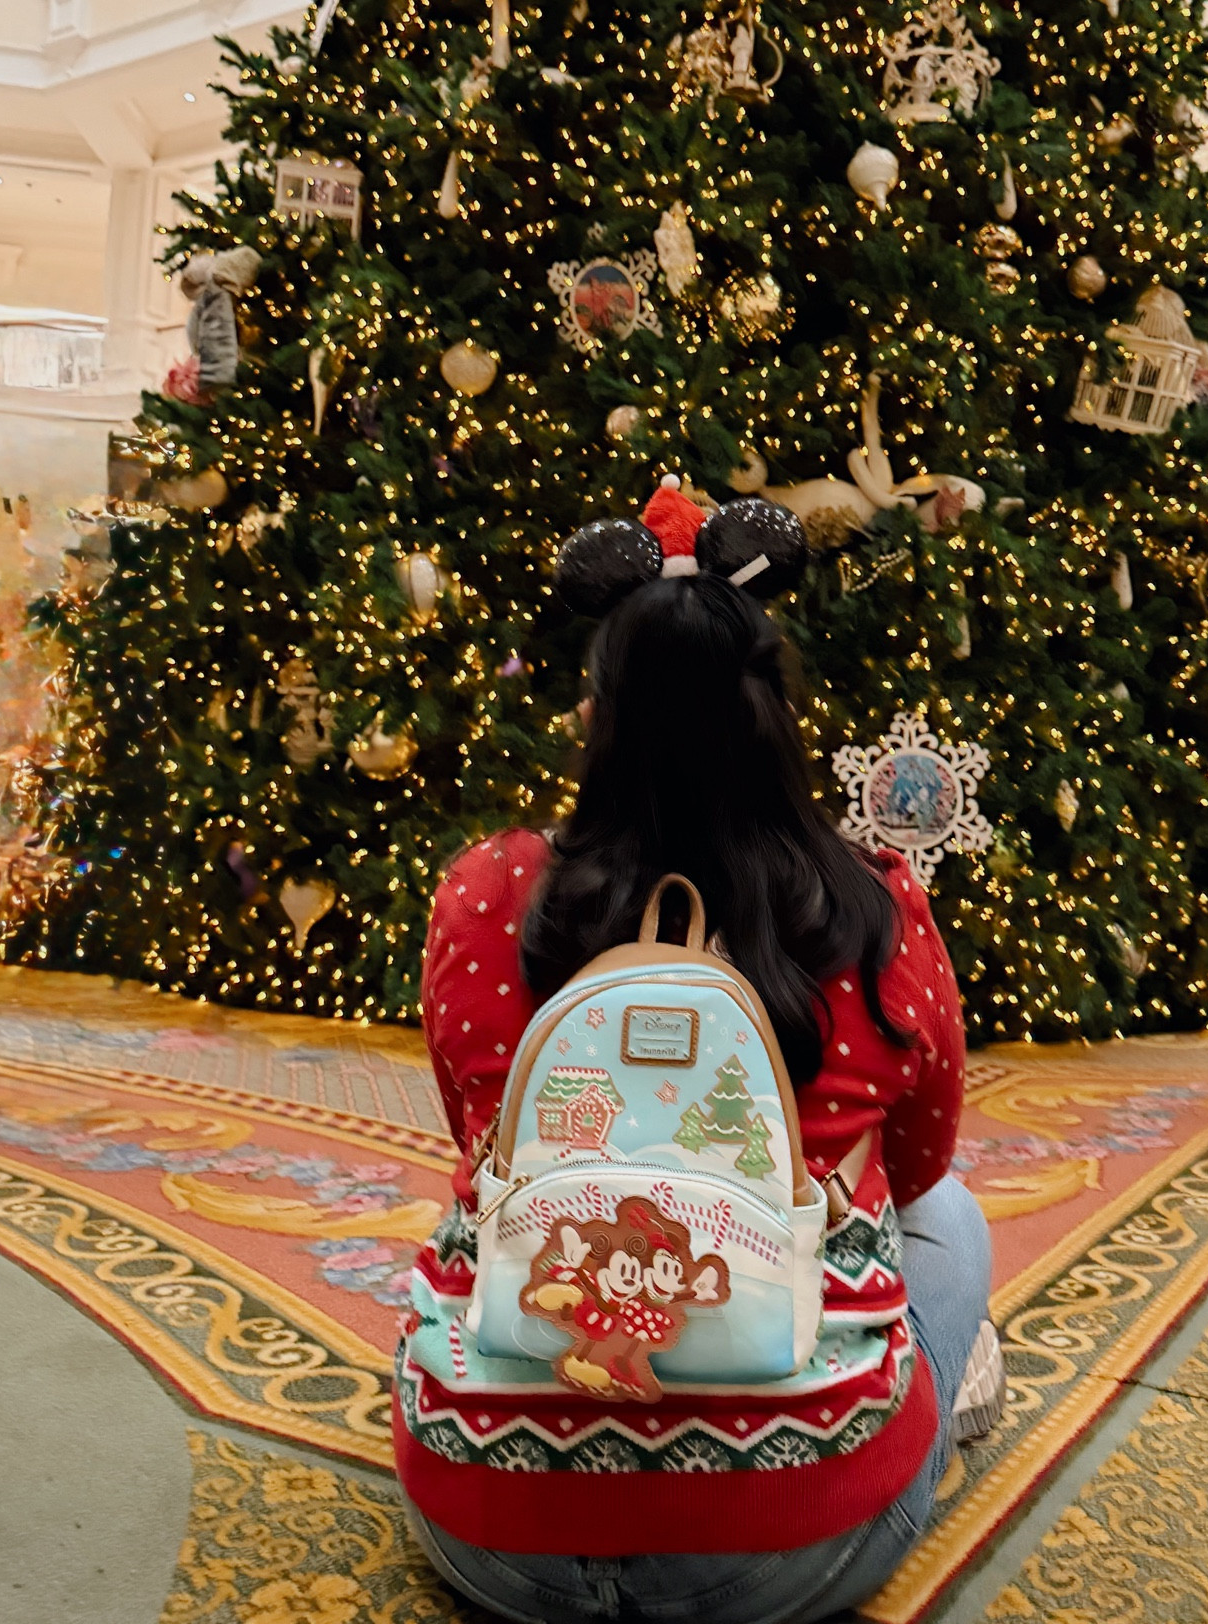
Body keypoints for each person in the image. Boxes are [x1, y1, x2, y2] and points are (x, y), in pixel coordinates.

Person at [395, 499, 993, 1624]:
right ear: (776, 714)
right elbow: (915, 1163)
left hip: (492, 1531)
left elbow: (476, 1140)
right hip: (790, 1546)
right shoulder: (871, 903)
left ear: (593, 714)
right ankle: (906, 1396)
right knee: (951, 1215)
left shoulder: (489, 892)